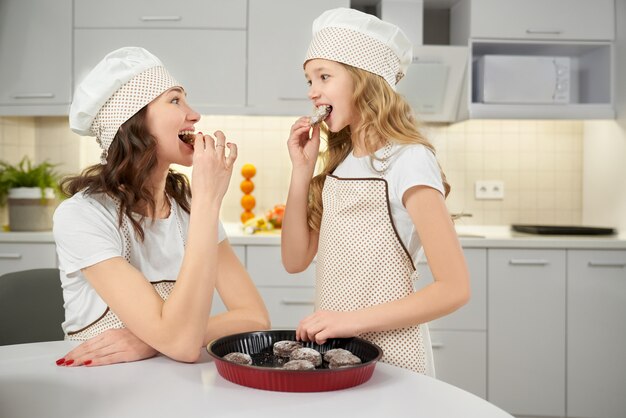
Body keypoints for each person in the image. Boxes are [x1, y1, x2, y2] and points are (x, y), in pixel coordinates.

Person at [53, 47, 270, 367]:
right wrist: (171, 339)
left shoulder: (190, 209)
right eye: (175, 100)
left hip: (181, 384)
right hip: (102, 387)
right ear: (133, 120)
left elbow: (255, 319)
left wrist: (149, 341)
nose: (194, 114)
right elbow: (182, 345)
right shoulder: (82, 215)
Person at [281, 8, 470, 375]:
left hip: (393, 356)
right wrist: (301, 170)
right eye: (308, 79)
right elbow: (294, 260)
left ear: (363, 79)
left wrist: (348, 322)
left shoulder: (410, 160)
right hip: (338, 352)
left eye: (323, 76)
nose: (312, 91)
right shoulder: (339, 162)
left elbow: (455, 288)